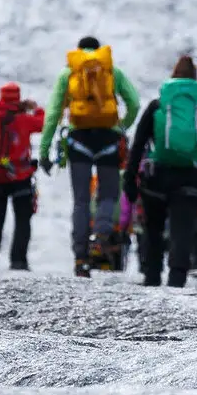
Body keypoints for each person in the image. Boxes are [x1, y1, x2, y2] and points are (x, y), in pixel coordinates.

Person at [38, 35, 140, 277]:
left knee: (81, 200)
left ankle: (80, 258)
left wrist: (44, 151)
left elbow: (53, 113)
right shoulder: (112, 71)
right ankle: (101, 237)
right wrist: (121, 127)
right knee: (108, 194)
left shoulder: (69, 73)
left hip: (79, 140)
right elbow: (134, 104)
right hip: (109, 140)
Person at [124, 55, 197, 287]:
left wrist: (130, 178)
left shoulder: (157, 106)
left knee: (153, 227)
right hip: (191, 179)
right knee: (182, 229)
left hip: (157, 176)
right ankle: (177, 278)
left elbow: (138, 144)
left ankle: (152, 274)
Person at [0, 83, 44, 270]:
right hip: (19, 177)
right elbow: (43, 123)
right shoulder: (22, 120)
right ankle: (18, 261)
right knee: (22, 220)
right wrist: (36, 108)